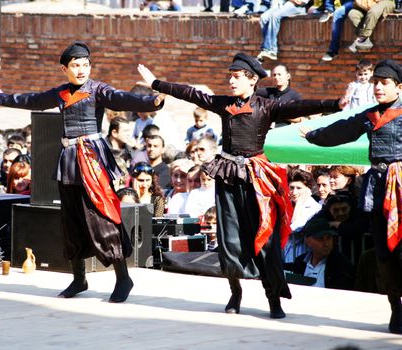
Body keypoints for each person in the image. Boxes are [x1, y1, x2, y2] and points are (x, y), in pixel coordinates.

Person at [138, 53, 342, 318]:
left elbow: (301, 106)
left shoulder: (267, 106)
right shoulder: (224, 104)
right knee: (229, 239)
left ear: (252, 80)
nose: (231, 81)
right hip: (228, 176)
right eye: (230, 76)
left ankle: (273, 298)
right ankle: (235, 292)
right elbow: (190, 94)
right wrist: (156, 84)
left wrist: (336, 103)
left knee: (264, 239)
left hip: (256, 179)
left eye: (236, 77)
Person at [0, 41, 164, 303]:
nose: (81, 70)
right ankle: (79, 278)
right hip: (69, 159)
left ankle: (122, 277)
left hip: (92, 160)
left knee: (101, 217)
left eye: (85, 65)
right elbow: (34, 100)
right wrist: (2, 98)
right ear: (65, 69)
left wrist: (153, 101)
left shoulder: (98, 90)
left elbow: (123, 98)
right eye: (75, 65)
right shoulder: (61, 93)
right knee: (70, 220)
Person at [302, 59, 402, 334]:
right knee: (383, 255)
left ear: (399, 87)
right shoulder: (369, 116)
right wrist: (312, 135)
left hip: (401, 187)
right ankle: (396, 311)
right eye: (376, 83)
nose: (378, 88)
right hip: (378, 188)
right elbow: (343, 129)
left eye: (384, 83)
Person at [291, 218, 355, 290]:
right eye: (320, 239)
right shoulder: (300, 262)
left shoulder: (341, 264)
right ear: (308, 241)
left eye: (329, 238)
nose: (326, 243)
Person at [283, 168, 322, 268]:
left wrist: (299, 204)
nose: (294, 192)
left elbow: (295, 229)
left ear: (308, 189)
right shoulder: (287, 204)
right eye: (291, 187)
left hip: (302, 253)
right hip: (285, 253)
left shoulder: (314, 207)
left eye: (299, 188)